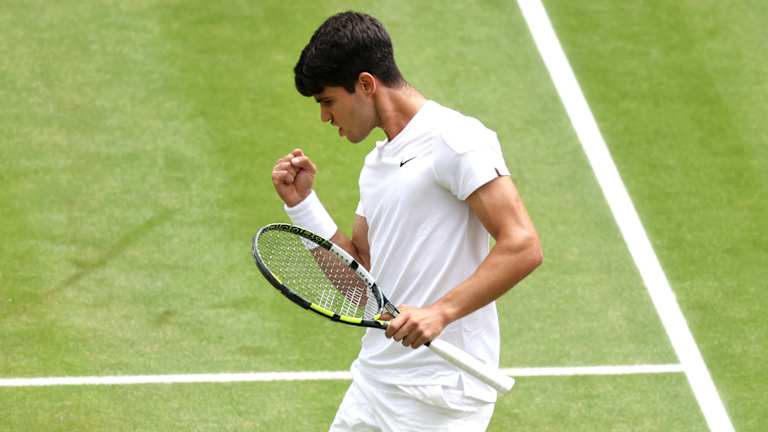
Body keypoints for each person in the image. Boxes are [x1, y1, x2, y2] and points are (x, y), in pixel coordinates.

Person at [271, 11, 542, 432]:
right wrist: (302, 205)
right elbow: (362, 283)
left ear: (365, 84)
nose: (325, 118)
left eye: (328, 102)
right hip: (375, 381)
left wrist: (440, 313)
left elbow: (522, 244)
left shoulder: (457, 140)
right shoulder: (377, 165)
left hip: (439, 394)